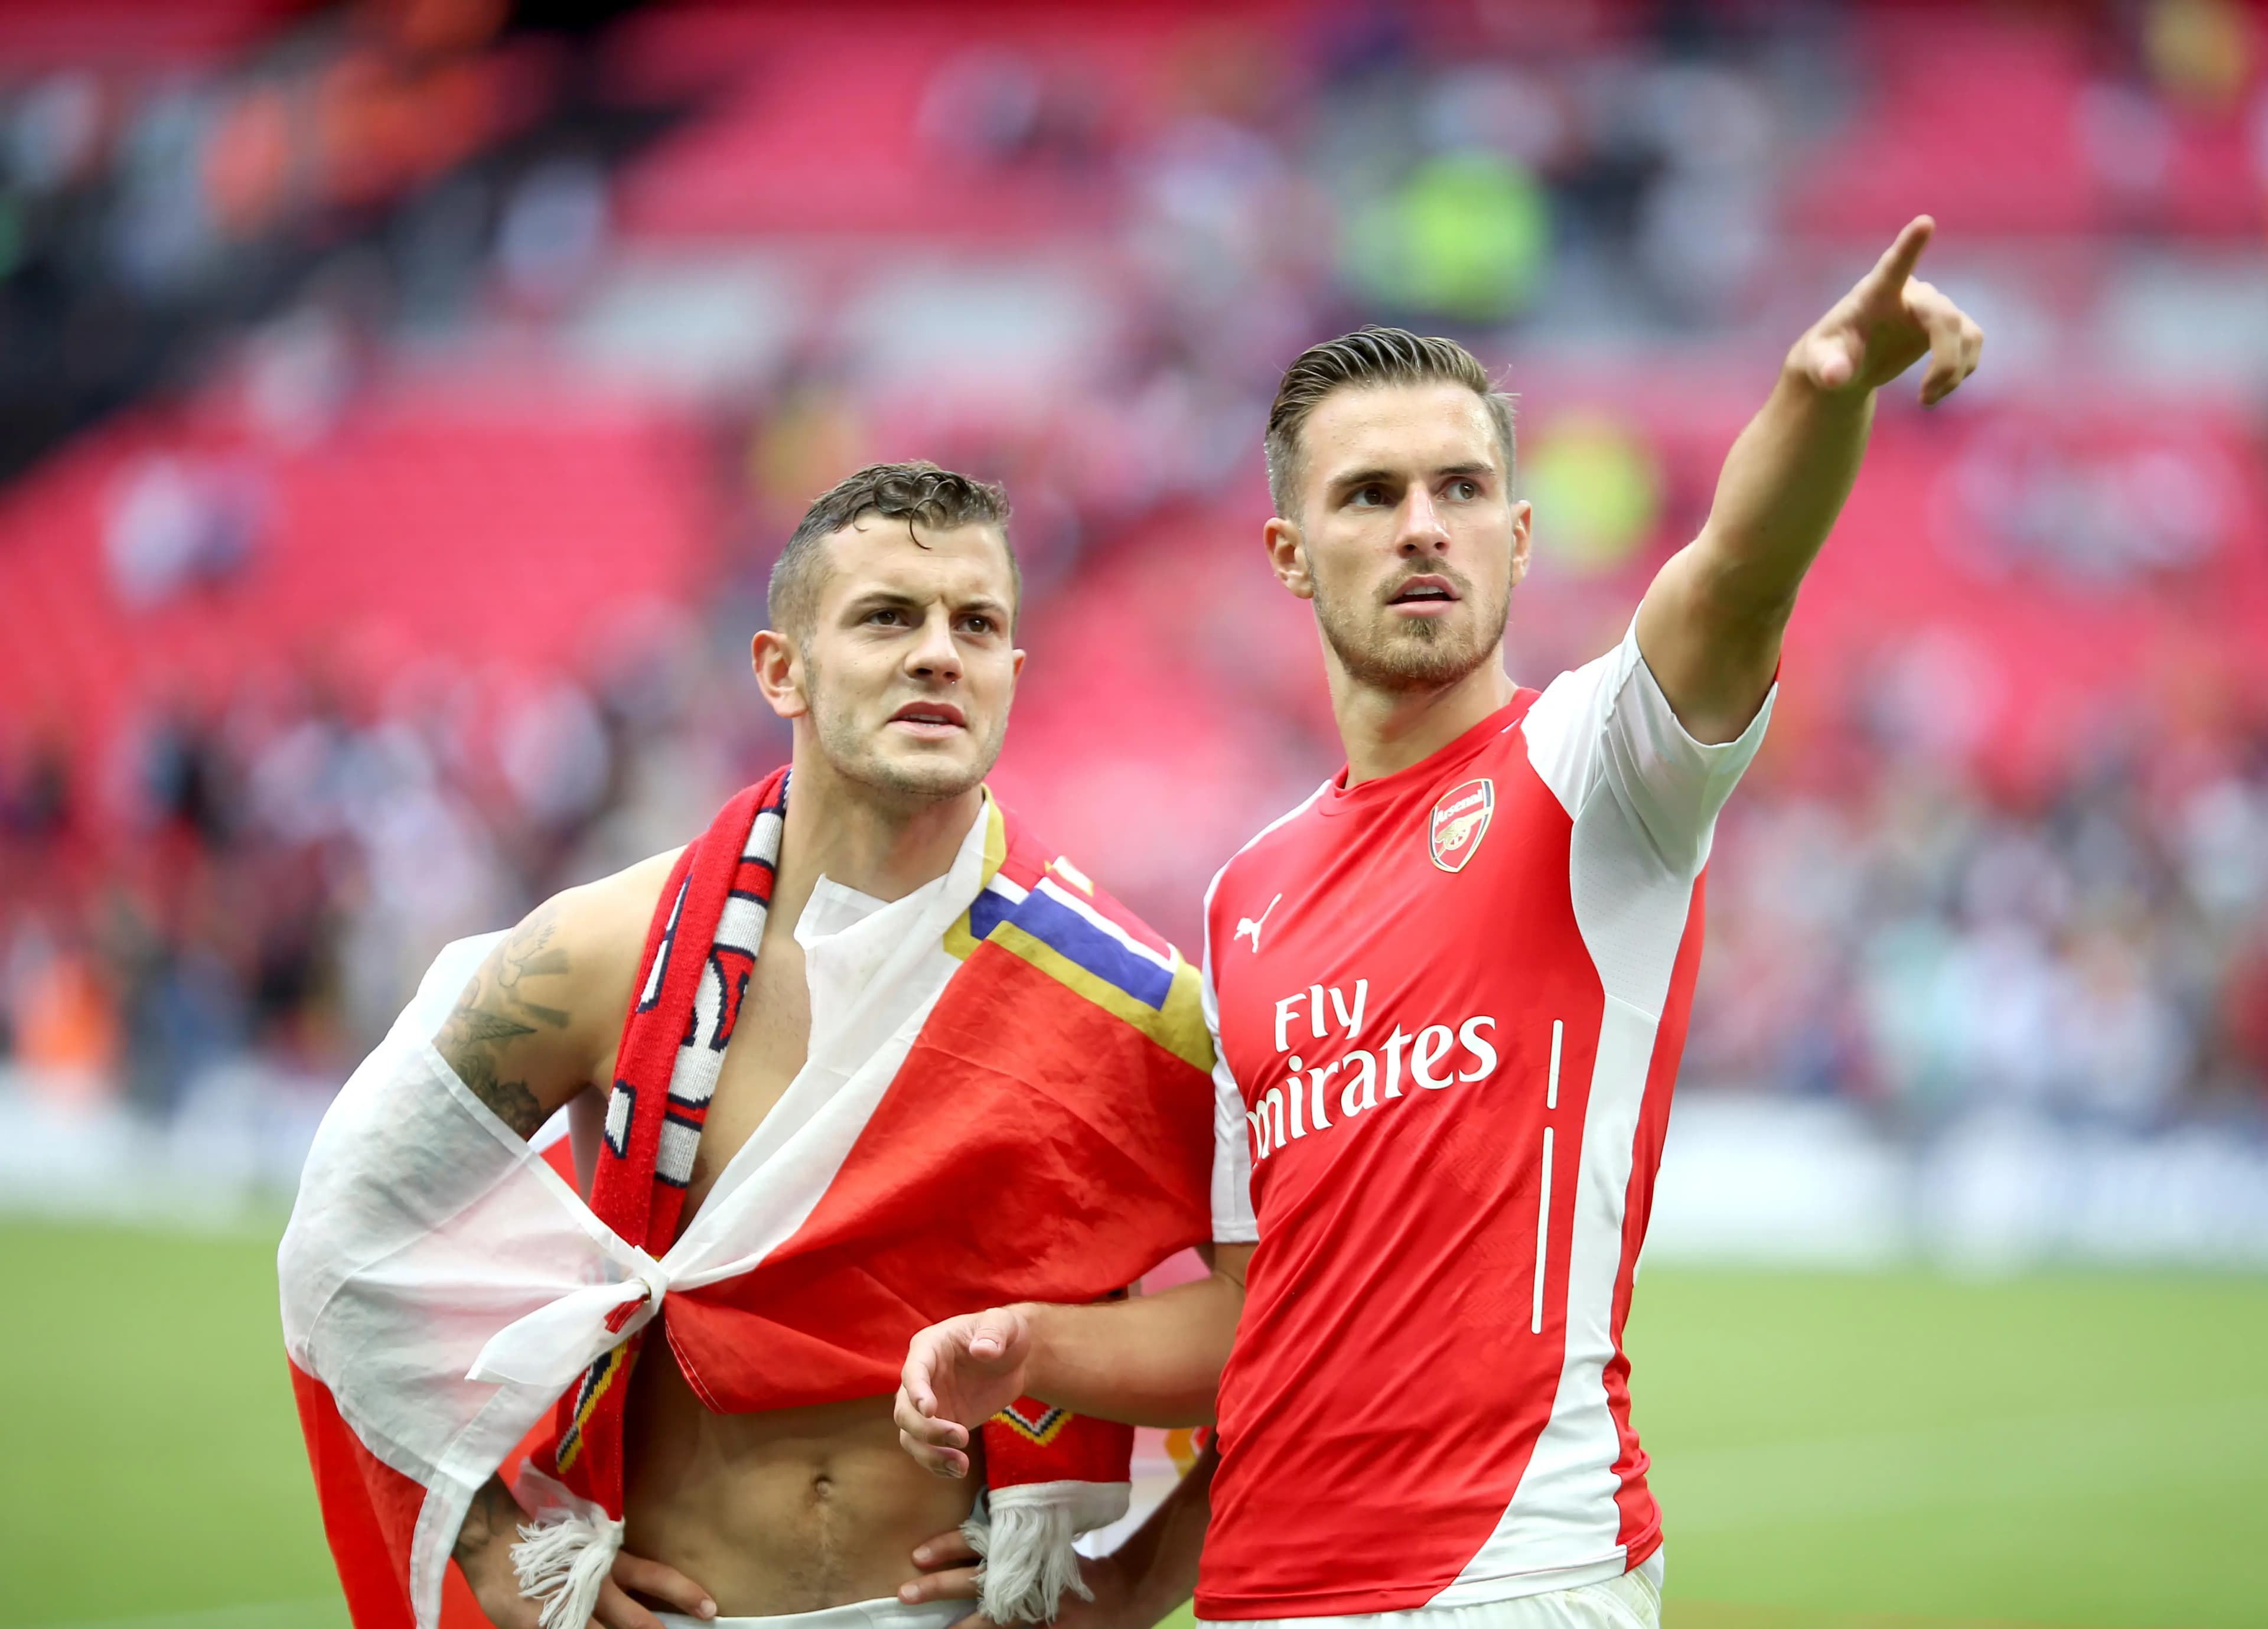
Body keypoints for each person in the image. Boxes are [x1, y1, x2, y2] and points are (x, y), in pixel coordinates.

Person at [894, 219, 1983, 1629]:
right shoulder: (1246, 895)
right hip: (1262, 1595)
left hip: (1513, 1574)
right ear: (1290, 553)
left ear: (1518, 538)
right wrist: (1044, 1374)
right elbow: (1263, 1323)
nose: (1422, 522)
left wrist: (1822, 392)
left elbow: (1733, 578)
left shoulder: (1596, 771)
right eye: (1371, 493)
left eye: (1462, 487)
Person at [280, 462, 1247, 1629]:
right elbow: (350, 1219)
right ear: (780, 669)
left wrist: (1132, 1580)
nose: (940, 652)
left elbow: (1295, 1315)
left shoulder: (1131, 998)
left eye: (977, 625)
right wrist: (500, 1548)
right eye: (888, 615)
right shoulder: (602, 951)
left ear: (1012, 675)